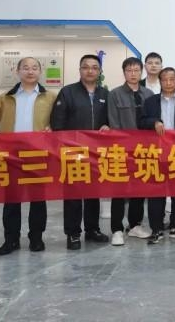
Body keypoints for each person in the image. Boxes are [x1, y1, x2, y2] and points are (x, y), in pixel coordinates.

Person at [0, 57, 57, 256]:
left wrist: (53, 127)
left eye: (34, 68)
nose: (30, 71)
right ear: (17, 71)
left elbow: (60, 119)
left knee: (38, 199)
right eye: (25, 68)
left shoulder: (50, 97)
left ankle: (36, 238)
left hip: (38, 153)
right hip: (11, 155)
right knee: (11, 199)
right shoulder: (6, 98)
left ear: (40, 71)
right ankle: (11, 239)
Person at [51, 54, 111, 250]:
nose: (90, 71)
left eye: (94, 67)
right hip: (73, 151)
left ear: (99, 71)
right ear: (80, 70)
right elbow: (57, 123)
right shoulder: (68, 92)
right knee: (73, 195)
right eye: (86, 67)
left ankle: (92, 229)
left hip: (96, 152)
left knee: (94, 193)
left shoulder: (105, 94)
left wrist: (108, 126)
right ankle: (73, 233)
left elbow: (110, 120)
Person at [140, 67, 175, 244]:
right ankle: (156, 229)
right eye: (165, 79)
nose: (169, 83)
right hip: (156, 153)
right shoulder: (150, 102)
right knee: (156, 193)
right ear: (160, 81)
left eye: (172, 79)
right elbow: (141, 122)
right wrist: (154, 122)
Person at [106, 57, 154, 246]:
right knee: (119, 190)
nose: (133, 74)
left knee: (139, 189)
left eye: (136, 70)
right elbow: (114, 122)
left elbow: (151, 120)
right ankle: (117, 229)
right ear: (124, 72)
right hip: (122, 150)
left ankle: (135, 225)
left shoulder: (148, 94)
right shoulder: (115, 94)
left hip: (144, 151)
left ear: (141, 72)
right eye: (129, 70)